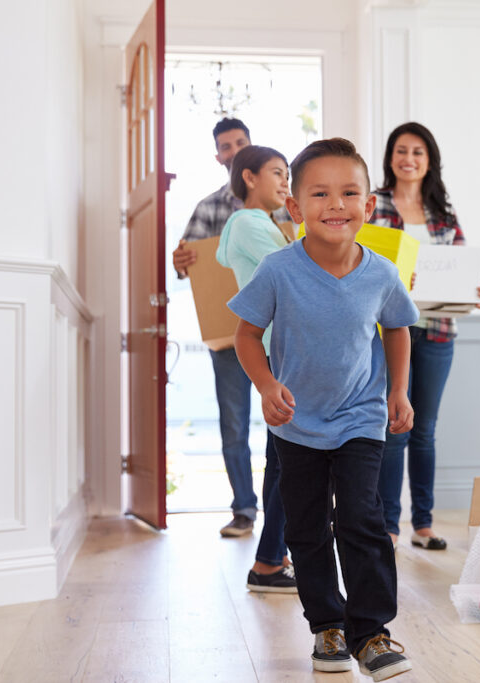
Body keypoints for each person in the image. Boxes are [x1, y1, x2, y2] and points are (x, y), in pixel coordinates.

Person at [228, 138, 418, 680]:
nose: (336, 204)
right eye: (320, 194)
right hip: (296, 424)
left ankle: (372, 632)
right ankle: (327, 627)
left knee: (361, 518)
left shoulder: (381, 272)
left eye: (349, 193)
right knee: (307, 529)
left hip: (360, 417)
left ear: (368, 206)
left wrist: (398, 392)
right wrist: (266, 386)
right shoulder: (277, 269)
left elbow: (398, 328)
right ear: (294, 208)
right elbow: (246, 336)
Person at [371, 122, 480, 551]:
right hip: (391, 330)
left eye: (418, 152)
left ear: (429, 161)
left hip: (439, 331)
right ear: (390, 158)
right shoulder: (375, 205)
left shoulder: (444, 213)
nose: (409, 159)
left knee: (424, 430)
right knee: (394, 426)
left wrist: (478, 290)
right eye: (401, 151)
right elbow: (362, 257)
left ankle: (423, 523)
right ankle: (387, 524)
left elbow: (462, 268)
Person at [171, 117, 289, 538]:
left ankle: (281, 521)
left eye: (241, 142)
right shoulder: (210, 209)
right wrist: (180, 262)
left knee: (284, 428)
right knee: (235, 424)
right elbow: (191, 265)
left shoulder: (280, 209)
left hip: (276, 338)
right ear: (219, 156)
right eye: (226, 145)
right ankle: (244, 508)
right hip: (229, 334)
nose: (234, 149)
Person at [215, 145, 295, 592]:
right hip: (277, 347)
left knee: (281, 459)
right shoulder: (248, 222)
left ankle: (273, 556)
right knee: (286, 460)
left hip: (273, 346)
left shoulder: (255, 224)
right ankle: (268, 561)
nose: (286, 183)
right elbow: (291, 267)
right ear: (249, 178)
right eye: (278, 174)